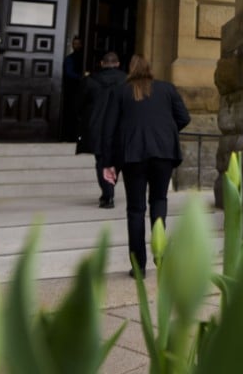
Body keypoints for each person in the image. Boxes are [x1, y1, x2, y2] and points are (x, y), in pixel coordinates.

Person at [101, 54, 190, 277]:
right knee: (159, 201)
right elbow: (184, 117)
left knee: (136, 210)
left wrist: (108, 163)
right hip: (163, 153)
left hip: (133, 156)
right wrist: (166, 133)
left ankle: (138, 267)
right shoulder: (166, 89)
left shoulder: (121, 91)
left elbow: (109, 129)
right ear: (150, 69)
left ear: (129, 71)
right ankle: (161, 258)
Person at [78, 51, 126, 208]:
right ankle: (109, 187)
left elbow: (80, 104)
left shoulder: (90, 80)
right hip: (119, 126)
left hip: (97, 126)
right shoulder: (126, 80)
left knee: (101, 161)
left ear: (102, 64)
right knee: (117, 159)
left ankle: (108, 194)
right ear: (118, 64)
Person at [61, 35, 85, 141]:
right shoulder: (69, 59)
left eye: (78, 43)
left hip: (82, 90)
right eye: (74, 44)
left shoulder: (85, 58)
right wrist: (81, 77)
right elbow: (69, 73)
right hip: (72, 90)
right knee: (71, 113)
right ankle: (70, 136)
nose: (76, 46)